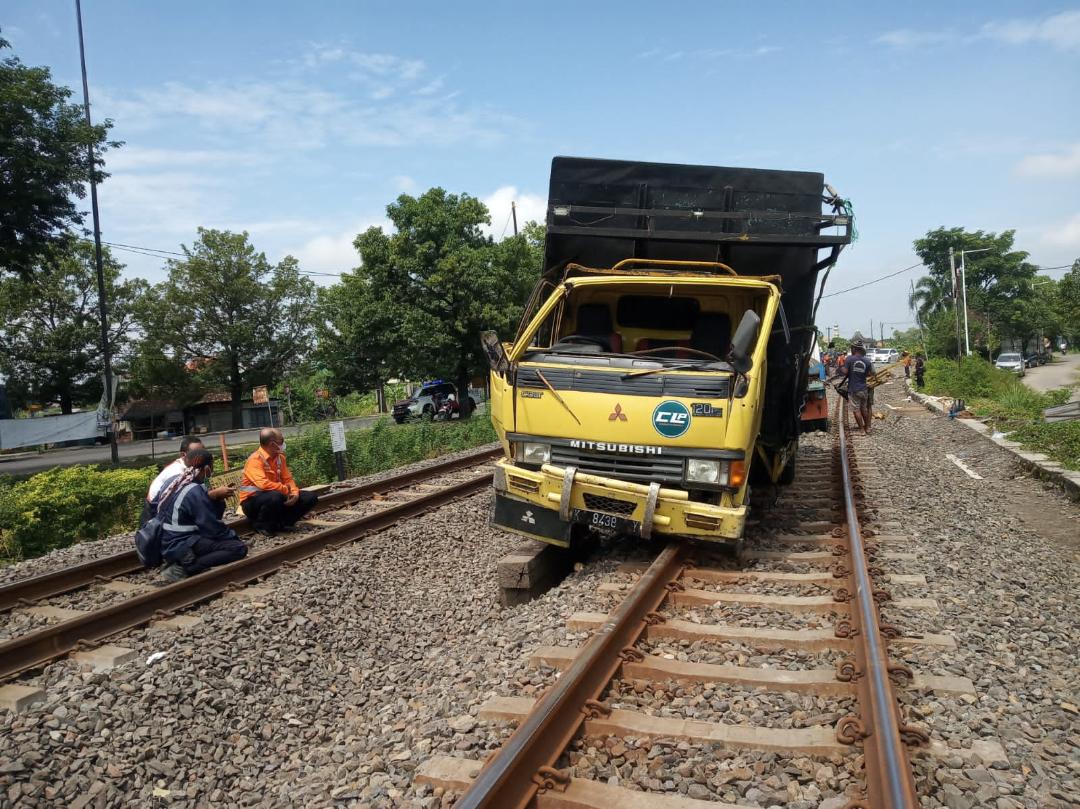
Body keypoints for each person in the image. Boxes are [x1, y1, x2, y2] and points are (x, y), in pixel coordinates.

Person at [157, 449, 248, 582]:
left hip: (167, 539)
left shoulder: (174, 481)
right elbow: (211, 526)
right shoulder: (194, 490)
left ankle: (183, 561)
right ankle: (186, 567)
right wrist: (233, 538)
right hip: (182, 543)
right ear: (207, 469)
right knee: (238, 549)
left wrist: (215, 497)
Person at [239, 428, 318, 535]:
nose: (283, 443)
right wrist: (286, 491)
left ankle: (282, 524)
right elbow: (263, 484)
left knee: (310, 497)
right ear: (272, 444)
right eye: (281, 440)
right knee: (276, 496)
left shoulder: (280, 458)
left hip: (276, 496)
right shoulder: (255, 460)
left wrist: (294, 493)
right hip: (252, 502)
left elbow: (288, 479)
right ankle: (262, 525)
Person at [140, 437, 205, 528]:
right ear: (183, 455)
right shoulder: (177, 473)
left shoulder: (191, 467)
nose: (202, 456)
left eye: (203, 452)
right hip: (154, 512)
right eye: (196, 453)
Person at [839, 342, 874, 435]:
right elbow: (870, 374)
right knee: (864, 409)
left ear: (854, 349)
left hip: (854, 389)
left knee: (856, 410)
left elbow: (844, 372)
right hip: (864, 389)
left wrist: (841, 366)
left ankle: (862, 430)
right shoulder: (867, 361)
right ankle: (868, 428)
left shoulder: (850, 359)